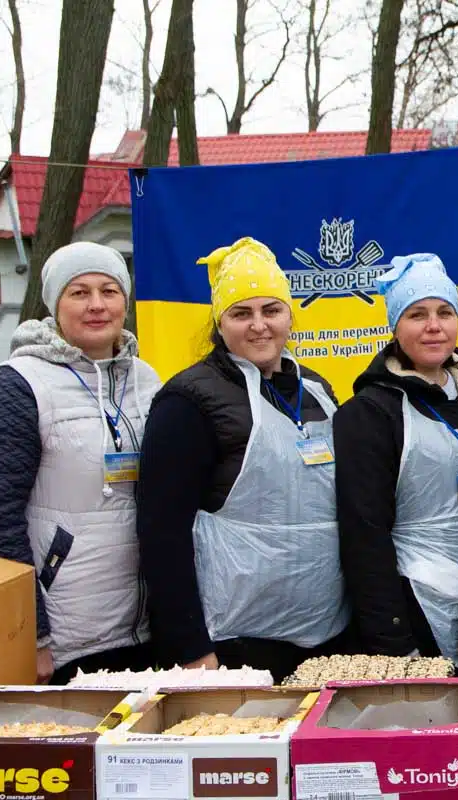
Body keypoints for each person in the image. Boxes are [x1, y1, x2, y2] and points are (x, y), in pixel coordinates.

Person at [136, 237, 350, 682]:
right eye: (241, 313)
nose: (259, 326)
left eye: (271, 310)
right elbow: (162, 531)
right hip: (236, 639)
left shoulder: (317, 390)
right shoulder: (187, 401)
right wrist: (190, 646)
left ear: (290, 315)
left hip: (326, 633)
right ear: (220, 323)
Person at [0, 242, 159, 685]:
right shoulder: (18, 385)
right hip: (64, 639)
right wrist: (29, 633)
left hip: (144, 629)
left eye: (109, 291)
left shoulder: (145, 380)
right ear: (55, 305)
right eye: (79, 292)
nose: (97, 305)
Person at [334, 254, 458, 668]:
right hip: (413, 604)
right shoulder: (370, 414)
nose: (434, 325)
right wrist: (393, 640)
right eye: (417, 314)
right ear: (395, 326)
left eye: (445, 312)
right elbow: (364, 535)